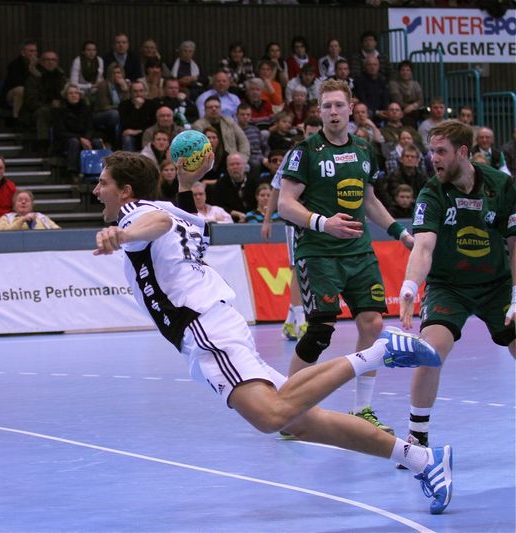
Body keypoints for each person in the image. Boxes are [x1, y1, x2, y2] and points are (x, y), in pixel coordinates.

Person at [91, 150, 453, 516]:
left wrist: (123, 233)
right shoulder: (177, 214)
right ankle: (423, 459)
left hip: (203, 330)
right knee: (303, 422)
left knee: (270, 417)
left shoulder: (136, 213)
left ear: (126, 191)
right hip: (216, 324)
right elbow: (174, 222)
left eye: (103, 183)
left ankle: (379, 352)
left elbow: (155, 222)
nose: (96, 190)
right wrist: (186, 185)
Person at [278, 79, 415, 433]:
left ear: (351, 108)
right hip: (319, 253)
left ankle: (362, 409)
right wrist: (324, 223)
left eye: (339, 105)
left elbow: (369, 201)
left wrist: (400, 233)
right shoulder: (305, 152)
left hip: (359, 251)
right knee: (320, 331)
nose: (334, 112)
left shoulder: (364, 149)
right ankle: (286, 410)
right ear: (319, 111)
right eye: (327, 106)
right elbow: (285, 204)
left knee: (372, 324)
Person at [397, 119, 515, 457]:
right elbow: (423, 247)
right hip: (449, 286)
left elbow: (515, 244)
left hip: (497, 284)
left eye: (441, 151)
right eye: (431, 151)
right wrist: (409, 285)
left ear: (463, 152)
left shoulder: (501, 185)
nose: (433, 158)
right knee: (430, 352)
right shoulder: (432, 192)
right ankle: (417, 438)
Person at [261, 118, 324, 342]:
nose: (313, 136)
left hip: (319, 220)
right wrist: (267, 220)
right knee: (299, 267)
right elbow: (276, 187)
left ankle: (289, 323)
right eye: (309, 132)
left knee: (311, 269)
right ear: (303, 132)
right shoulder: (295, 154)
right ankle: (301, 320)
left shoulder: (329, 154)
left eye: (317, 132)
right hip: (295, 221)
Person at [21, 50, 67, 154]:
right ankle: (43, 144)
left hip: (59, 108)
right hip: (35, 111)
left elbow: (66, 94)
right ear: (41, 62)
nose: (50, 62)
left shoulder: (61, 78)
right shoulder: (33, 78)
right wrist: (50, 105)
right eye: (47, 60)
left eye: (53, 60)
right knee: (44, 112)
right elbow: (30, 101)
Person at [52, 82, 101, 179]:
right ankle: (72, 173)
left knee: (97, 142)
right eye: (70, 93)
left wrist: (86, 138)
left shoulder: (86, 108)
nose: (74, 95)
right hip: (66, 140)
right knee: (74, 142)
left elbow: (90, 127)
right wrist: (80, 138)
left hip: (84, 138)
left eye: (76, 93)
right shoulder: (60, 110)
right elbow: (60, 132)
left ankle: (98, 172)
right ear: (66, 96)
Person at [208, 152, 255, 222]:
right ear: (227, 167)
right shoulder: (220, 184)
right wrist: (237, 214)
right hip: (229, 220)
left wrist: (249, 216)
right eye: (231, 164)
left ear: (245, 166)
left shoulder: (254, 181)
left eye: (238, 164)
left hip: (253, 219)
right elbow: (217, 206)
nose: (235, 167)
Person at [0, 39, 38, 119]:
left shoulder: (40, 64)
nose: (34, 53)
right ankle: (17, 118)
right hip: (13, 93)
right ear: (23, 53)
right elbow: (18, 83)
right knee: (21, 90)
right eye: (31, 51)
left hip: (34, 92)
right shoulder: (14, 65)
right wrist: (31, 68)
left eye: (35, 51)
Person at [92, 63, 130, 146]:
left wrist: (125, 90)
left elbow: (127, 105)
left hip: (118, 113)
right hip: (100, 114)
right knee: (114, 114)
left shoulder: (125, 84)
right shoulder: (103, 85)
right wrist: (119, 108)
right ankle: (112, 142)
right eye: (114, 73)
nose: (116, 75)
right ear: (109, 74)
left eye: (118, 73)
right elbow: (104, 106)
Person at [119, 80, 157, 152]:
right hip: (132, 136)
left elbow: (153, 123)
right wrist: (136, 108)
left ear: (145, 92)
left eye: (141, 91)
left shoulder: (152, 104)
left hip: (146, 134)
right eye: (135, 91)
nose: (139, 94)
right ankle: (129, 159)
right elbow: (125, 124)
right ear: (131, 93)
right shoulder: (124, 105)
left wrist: (138, 131)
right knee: (127, 138)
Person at [387, 60, 423, 128]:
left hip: (414, 111)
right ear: (399, 72)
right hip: (400, 111)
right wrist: (410, 107)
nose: (405, 72)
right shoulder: (393, 84)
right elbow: (398, 101)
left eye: (408, 70)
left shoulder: (415, 84)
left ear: (411, 72)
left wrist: (412, 106)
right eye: (403, 70)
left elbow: (420, 100)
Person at [354, 56, 389, 122]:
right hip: (368, 112)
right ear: (365, 67)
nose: (372, 67)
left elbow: (385, 98)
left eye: (375, 65)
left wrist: (385, 110)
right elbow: (362, 99)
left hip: (382, 112)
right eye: (369, 65)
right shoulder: (359, 80)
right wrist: (376, 112)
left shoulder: (382, 80)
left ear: (378, 67)